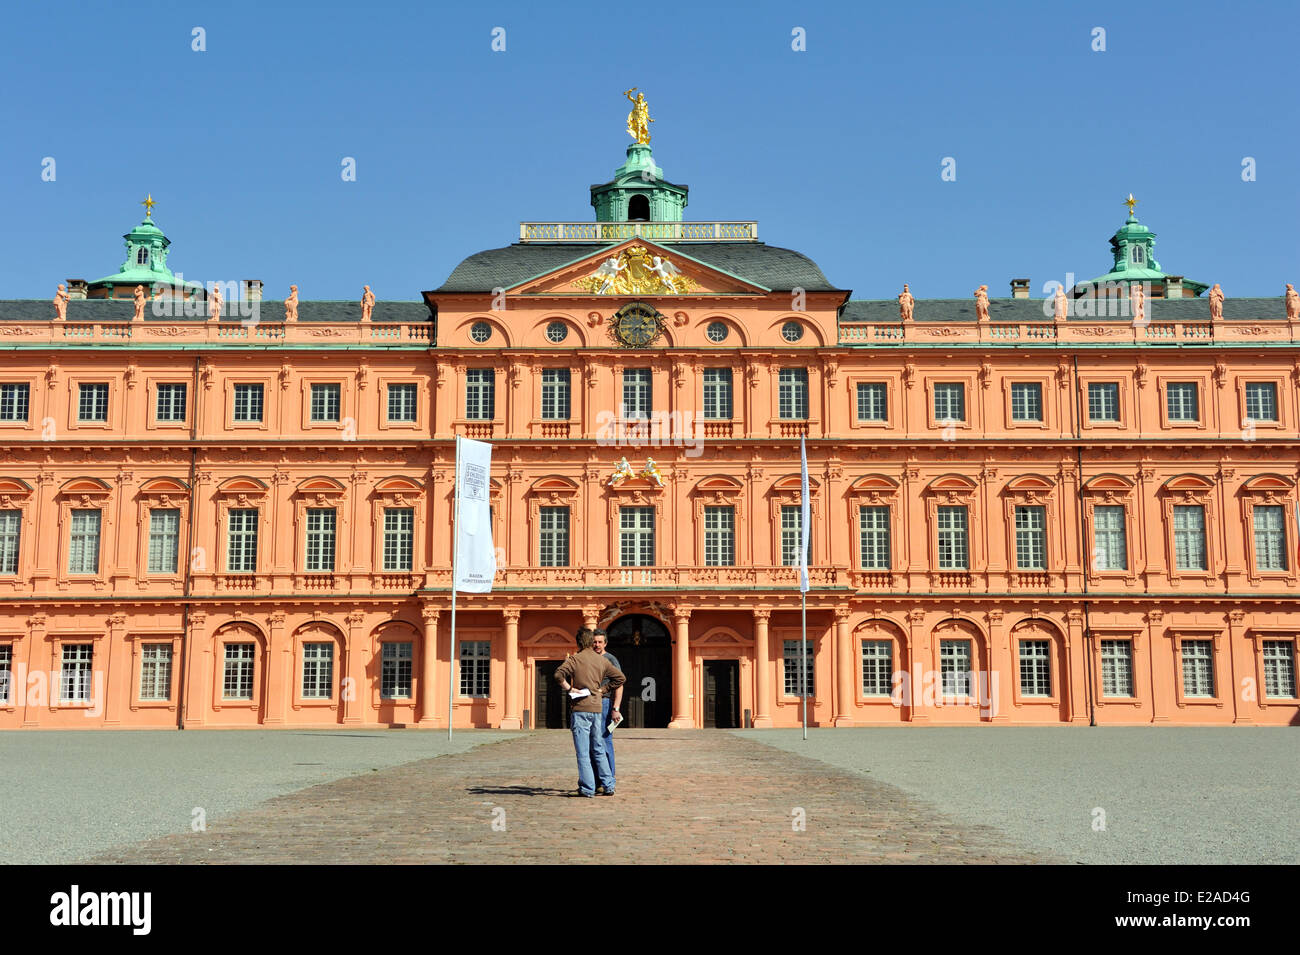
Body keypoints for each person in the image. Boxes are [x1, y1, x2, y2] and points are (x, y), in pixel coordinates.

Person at [555, 628, 624, 797]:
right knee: (599, 748)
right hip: (597, 708)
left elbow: (558, 675)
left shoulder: (575, 659)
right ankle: (609, 785)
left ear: (579, 642)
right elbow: (620, 678)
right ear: (590, 641)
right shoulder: (601, 660)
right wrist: (603, 689)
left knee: (583, 752)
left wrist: (570, 688)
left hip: (581, 708)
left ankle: (587, 788)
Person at [591, 629, 623, 793]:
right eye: (594, 641)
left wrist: (616, 708)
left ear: (605, 643)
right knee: (592, 743)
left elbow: (619, 684)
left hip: (604, 704)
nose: (597, 645)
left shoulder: (610, 659)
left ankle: (609, 779)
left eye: (599, 642)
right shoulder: (589, 658)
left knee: (604, 741)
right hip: (589, 703)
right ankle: (596, 780)